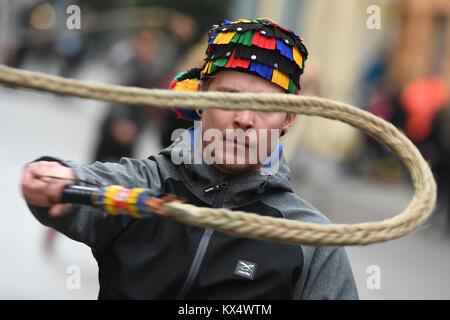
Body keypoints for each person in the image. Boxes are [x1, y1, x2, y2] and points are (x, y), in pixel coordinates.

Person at [21, 18, 358, 300]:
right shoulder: (144, 187)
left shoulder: (312, 241)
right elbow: (79, 187)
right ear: (201, 100)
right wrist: (53, 178)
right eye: (229, 98)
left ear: (289, 119)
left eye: (266, 107)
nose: (244, 118)